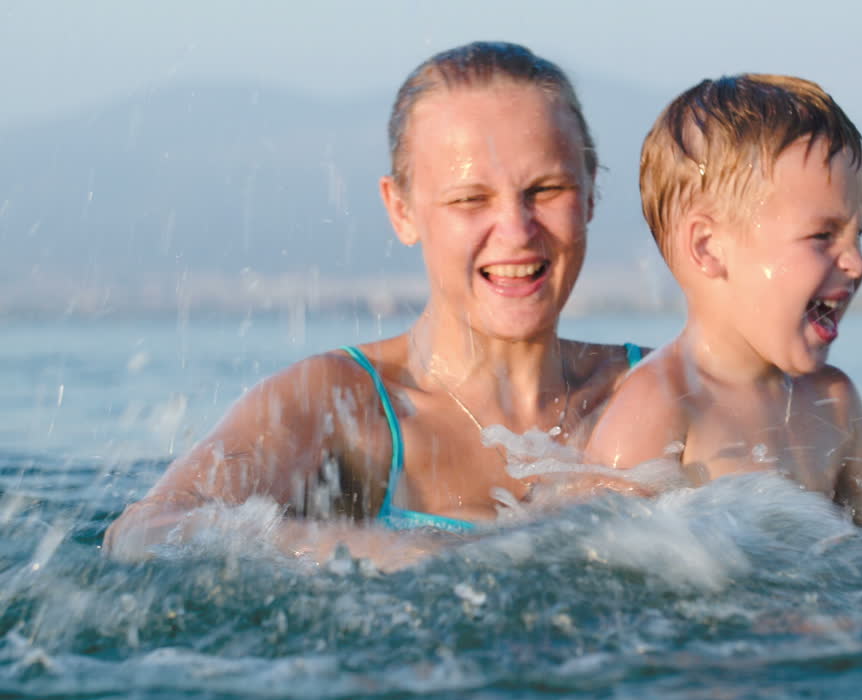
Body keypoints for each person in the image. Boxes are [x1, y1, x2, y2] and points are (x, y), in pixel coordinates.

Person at [105, 42, 646, 567]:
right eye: (469, 199)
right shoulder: (340, 403)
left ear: (591, 190)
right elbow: (146, 531)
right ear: (401, 209)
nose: (516, 230)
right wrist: (385, 554)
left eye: (547, 190)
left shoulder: (661, 390)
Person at [583, 74, 862, 528]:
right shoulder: (660, 406)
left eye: (859, 234)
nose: (856, 262)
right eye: (823, 235)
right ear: (708, 248)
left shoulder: (834, 402)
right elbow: (594, 545)